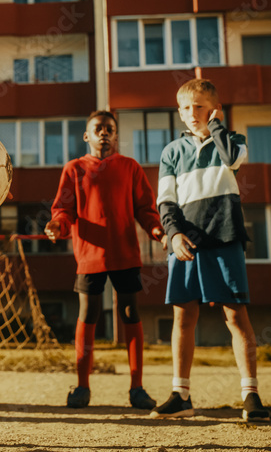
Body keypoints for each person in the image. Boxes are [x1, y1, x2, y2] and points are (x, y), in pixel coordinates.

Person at [150, 79, 269, 422]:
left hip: (224, 237)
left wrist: (216, 125)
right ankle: (181, 394)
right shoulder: (171, 152)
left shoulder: (231, 141)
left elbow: (232, 160)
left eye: (200, 106)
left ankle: (251, 394)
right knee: (183, 316)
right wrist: (173, 235)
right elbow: (166, 201)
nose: (192, 114)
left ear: (215, 109)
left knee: (235, 315)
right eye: (186, 108)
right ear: (178, 112)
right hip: (186, 242)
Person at [44, 110, 165, 410]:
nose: (104, 133)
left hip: (125, 253)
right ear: (86, 136)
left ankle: (137, 388)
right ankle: (82, 386)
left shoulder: (130, 167)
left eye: (109, 129)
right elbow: (64, 209)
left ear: (115, 135)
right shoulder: (74, 169)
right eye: (98, 129)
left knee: (129, 311)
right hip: (89, 254)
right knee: (90, 312)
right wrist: (57, 225)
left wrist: (157, 229)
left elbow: (145, 208)